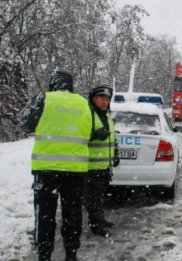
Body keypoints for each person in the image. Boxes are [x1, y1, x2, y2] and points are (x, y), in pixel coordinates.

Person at [20, 71, 92, 261]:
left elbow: (25, 123)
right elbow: (90, 132)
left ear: (52, 84)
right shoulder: (83, 103)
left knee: (45, 215)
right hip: (75, 170)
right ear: (71, 85)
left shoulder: (43, 98)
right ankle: (71, 253)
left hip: (46, 169)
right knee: (72, 213)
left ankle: (44, 255)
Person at [84, 84, 119, 237]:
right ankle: (96, 225)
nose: (105, 102)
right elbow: (79, 136)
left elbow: (112, 138)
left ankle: (100, 219)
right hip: (91, 167)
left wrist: (115, 154)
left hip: (104, 165)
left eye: (107, 99)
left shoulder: (106, 115)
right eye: (101, 99)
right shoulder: (88, 115)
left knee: (99, 197)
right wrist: (94, 135)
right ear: (93, 99)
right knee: (92, 198)